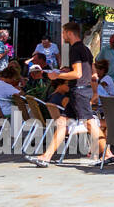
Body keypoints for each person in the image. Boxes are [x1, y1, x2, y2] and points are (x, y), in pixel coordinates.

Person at [30, 21, 103, 166]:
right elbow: (92, 71)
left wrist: (57, 76)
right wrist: (66, 72)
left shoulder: (75, 49)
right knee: (62, 122)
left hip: (80, 91)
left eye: (63, 33)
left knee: (90, 124)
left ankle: (107, 153)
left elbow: (77, 73)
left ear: (69, 33)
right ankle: (46, 156)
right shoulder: (85, 49)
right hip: (82, 90)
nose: (62, 35)